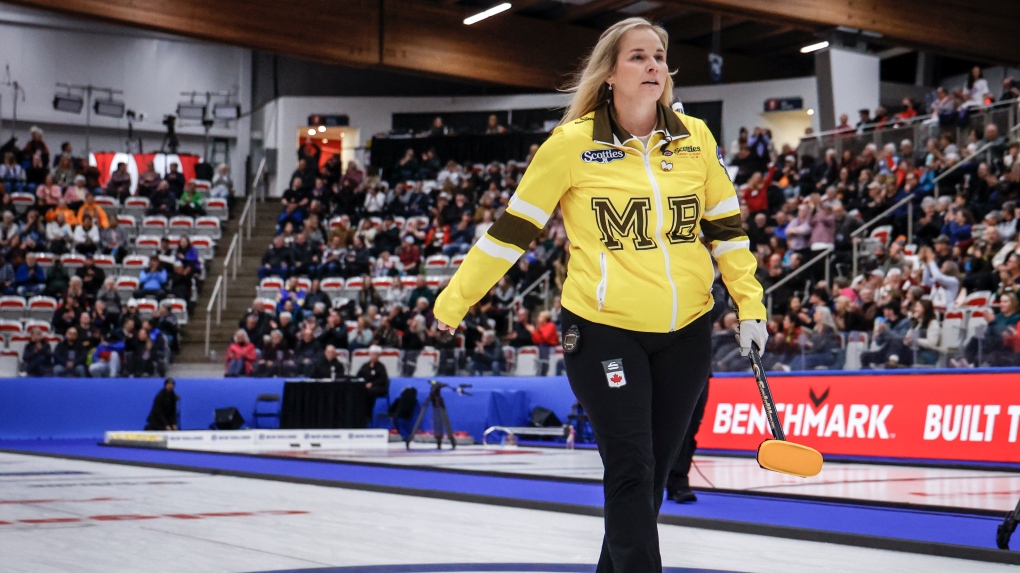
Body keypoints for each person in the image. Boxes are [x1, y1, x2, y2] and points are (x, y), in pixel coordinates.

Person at [432, 18, 767, 573]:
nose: (654, 65)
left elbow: (728, 232)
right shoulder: (571, 145)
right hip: (603, 326)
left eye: (659, 55)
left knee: (651, 476)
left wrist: (750, 307)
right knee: (632, 468)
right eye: (638, 56)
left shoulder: (696, 139)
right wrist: (454, 302)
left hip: (687, 331)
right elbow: (512, 232)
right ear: (610, 72)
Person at [356, 345, 389, 427]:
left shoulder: (381, 367)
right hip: (365, 388)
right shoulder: (365, 366)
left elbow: (383, 380)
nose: (374, 356)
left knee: (370, 393)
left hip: (378, 388)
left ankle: (368, 416)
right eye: (373, 354)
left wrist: (372, 384)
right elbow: (358, 376)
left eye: (376, 355)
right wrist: (364, 384)